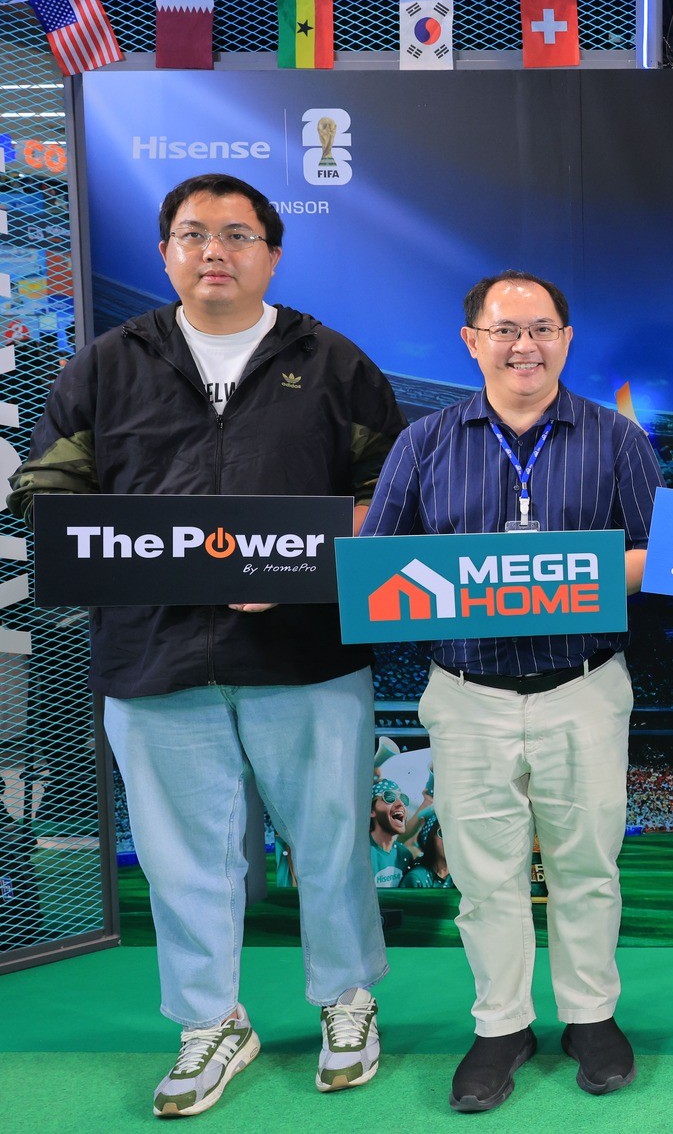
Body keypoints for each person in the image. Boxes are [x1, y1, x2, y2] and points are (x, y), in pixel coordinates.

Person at [8, 172, 402, 1116]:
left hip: (306, 654)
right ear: (165, 253)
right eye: (193, 234)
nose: (214, 250)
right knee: (181, 858)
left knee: (332, 843)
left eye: (235, 234)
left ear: (273, 253)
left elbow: (394, 500)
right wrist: (159, 556)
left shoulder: (334, 363)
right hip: (154, 655)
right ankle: (209, 1020)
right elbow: (45, 494)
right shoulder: (107, 365)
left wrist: (297, 564)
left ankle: (348, 999)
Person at [360, 270, 661, 1114]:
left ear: (566, 339)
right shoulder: (423, 442)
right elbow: (378, 566)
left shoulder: (616, 438)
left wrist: (558, 580)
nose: (524, 345)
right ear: (473, 341)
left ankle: (591, 1017)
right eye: (505, 330)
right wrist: (479, 583)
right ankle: (502, 1026)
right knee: (484, 877)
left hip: (582, 685)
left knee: (587, 867)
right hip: (468, 692)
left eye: (541, 329)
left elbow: (661, 554)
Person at [368, 781, 417, 889]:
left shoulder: (404, 854)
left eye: (403, 799)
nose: (400, 804)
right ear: (371, 811)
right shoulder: (361, 853)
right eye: (389, 797)